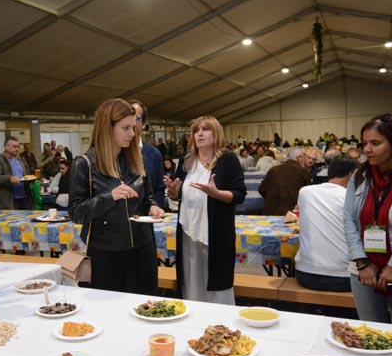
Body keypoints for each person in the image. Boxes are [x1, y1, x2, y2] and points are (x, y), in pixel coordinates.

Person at [69, 98, 164, 295]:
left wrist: (152, 206)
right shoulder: (85, 164)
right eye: (126, 128)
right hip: (108, 254)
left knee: (146, 305)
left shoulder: (135, 159)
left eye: (133, 127)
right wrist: (109, 197)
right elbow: (76, 213)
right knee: (113, 308)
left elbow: (147, 196)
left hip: (143, 248)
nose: (132, 133)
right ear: (107, 128)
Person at [344, 114, 392, 326]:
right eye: (364, 143)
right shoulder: (360, 176)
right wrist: (361, 262)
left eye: (375, 143)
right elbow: (348, 219)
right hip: (364, 268)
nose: (367, 149)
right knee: (369, 331)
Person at [166, 116, 246, 305]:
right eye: (196, 130)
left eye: (205, 129)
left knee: (217, 281)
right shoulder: (186, 163)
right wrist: (173, 193)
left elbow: (239, 195)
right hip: (188, 233)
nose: (199, 134)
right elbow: (177, 195)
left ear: (216, 133)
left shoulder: (228, 160)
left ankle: (220, 318)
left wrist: (217, 193)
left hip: (216, 232)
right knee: (191, 279)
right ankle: (194, 316)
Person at [295, 157, 360, 292]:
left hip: (306, 274)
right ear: (351, 175)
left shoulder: (305, 192)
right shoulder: (353, 197)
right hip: (344, 277)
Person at [130, 99, 165, 208]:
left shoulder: (154, 154)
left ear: (144, 124)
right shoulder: (112, 154)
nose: (130, 123)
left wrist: (154, 207)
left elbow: (159, 189)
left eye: (135, 119)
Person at [258, 147, 311, 215]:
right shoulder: (304, 173)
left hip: (271, 213)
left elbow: (262, 189)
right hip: (292, 215)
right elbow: (308, 196)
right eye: (303, 157)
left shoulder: (273, 170)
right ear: (299, 158)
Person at [0, 137, 32, 210]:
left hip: (25, 198)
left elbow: (27, 175)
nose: (17, 149)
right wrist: (9, 178)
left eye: (18, 147)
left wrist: (31, 179)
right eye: (14, 146)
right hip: (9, 199)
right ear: (6, 147)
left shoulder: (21, 159)